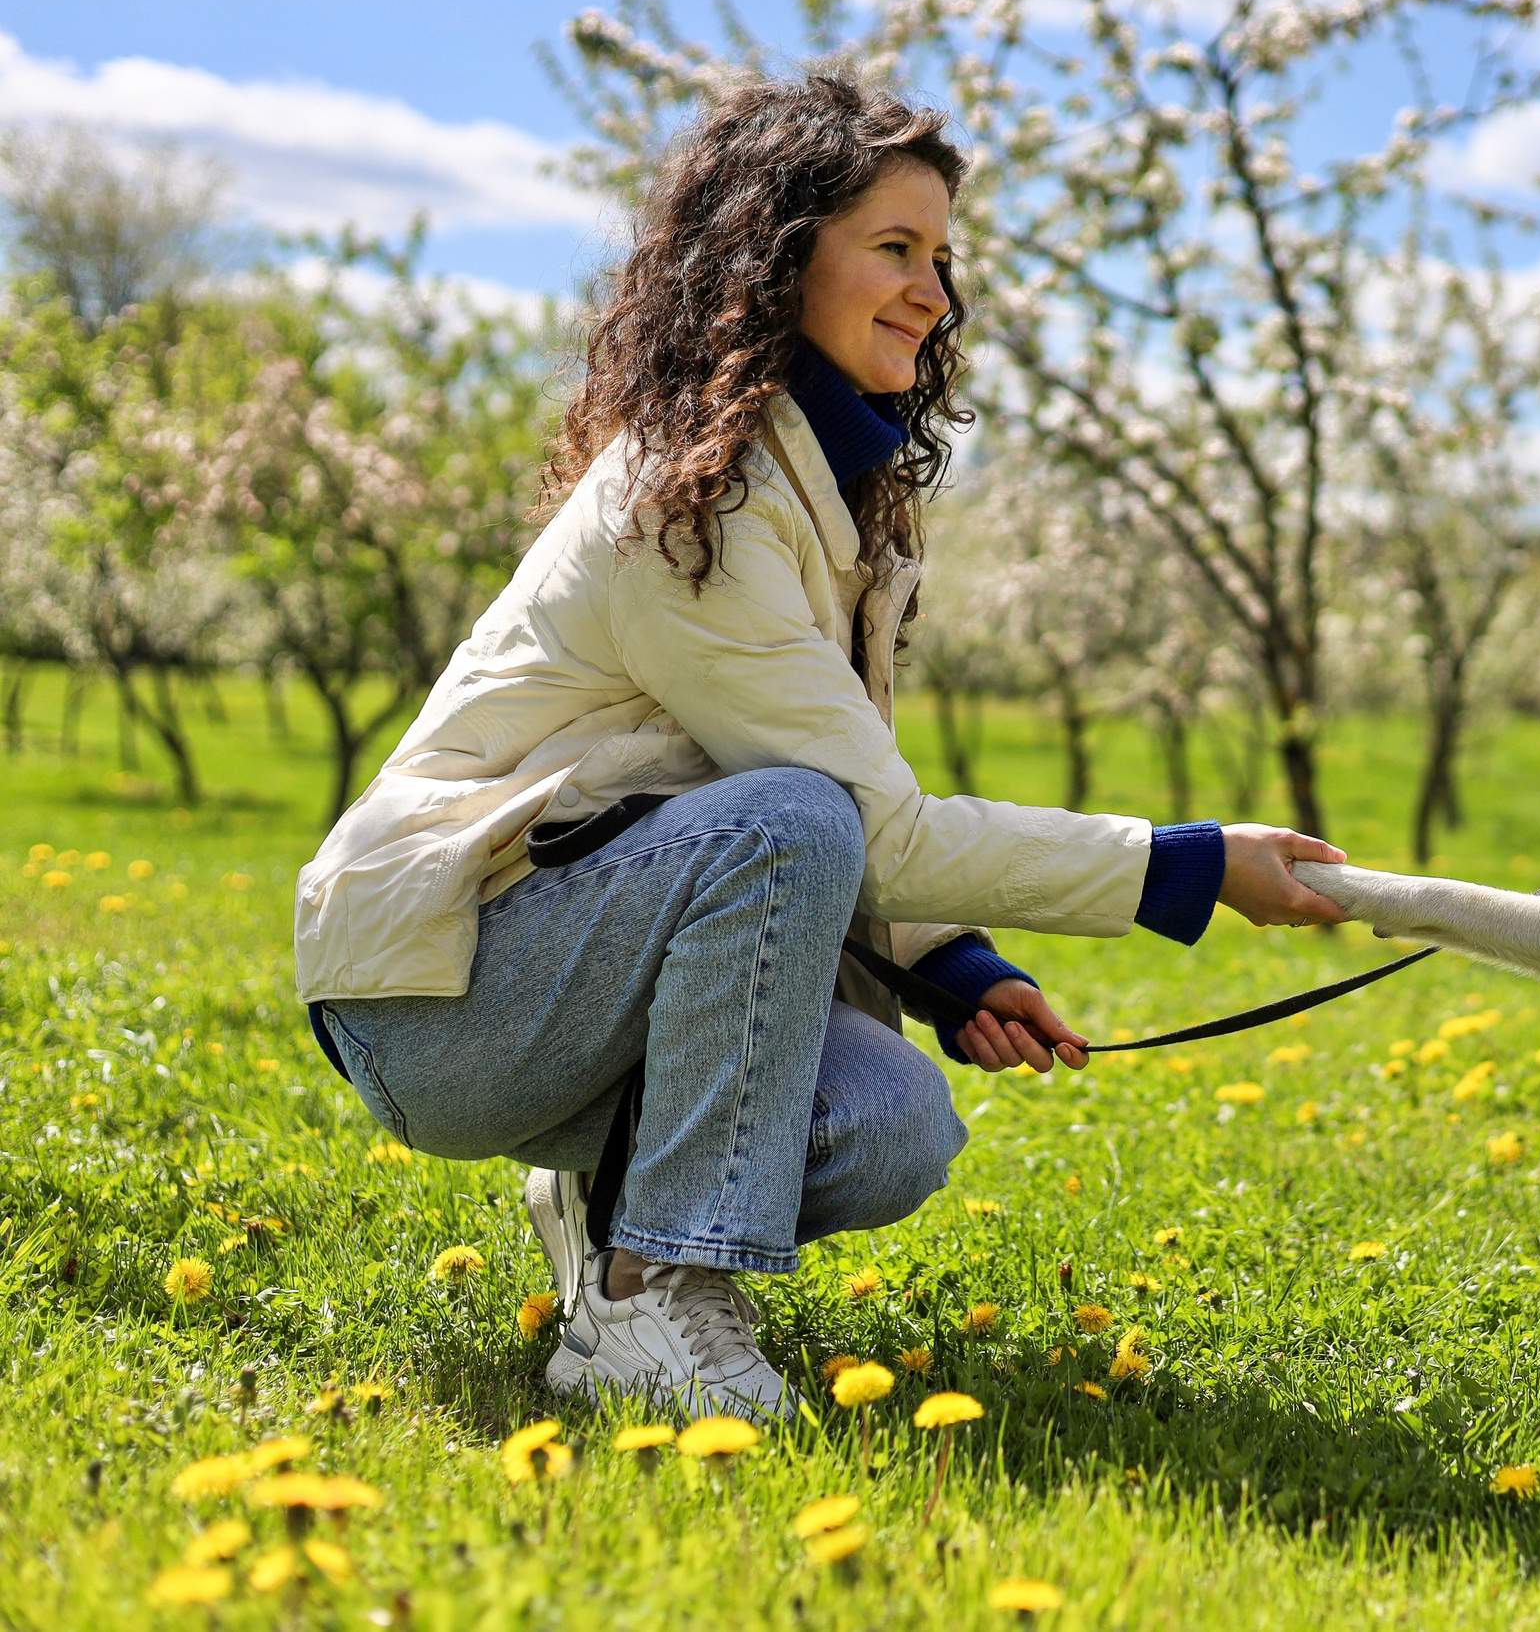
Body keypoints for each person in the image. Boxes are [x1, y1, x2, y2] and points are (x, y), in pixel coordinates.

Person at [291, 75, 1346, 1416]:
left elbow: (845, 792)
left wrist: (954, 966)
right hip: (439, 994)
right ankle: (645, 1299)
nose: (934, 295)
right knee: (791, 816)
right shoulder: (699, 504)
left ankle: (609, 1215)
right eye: (895, 251)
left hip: (571, 953)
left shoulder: (827, 495)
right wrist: (1188, 867)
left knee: (892, 1125)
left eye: (942, 258)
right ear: (776, 260)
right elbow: (845, 823)